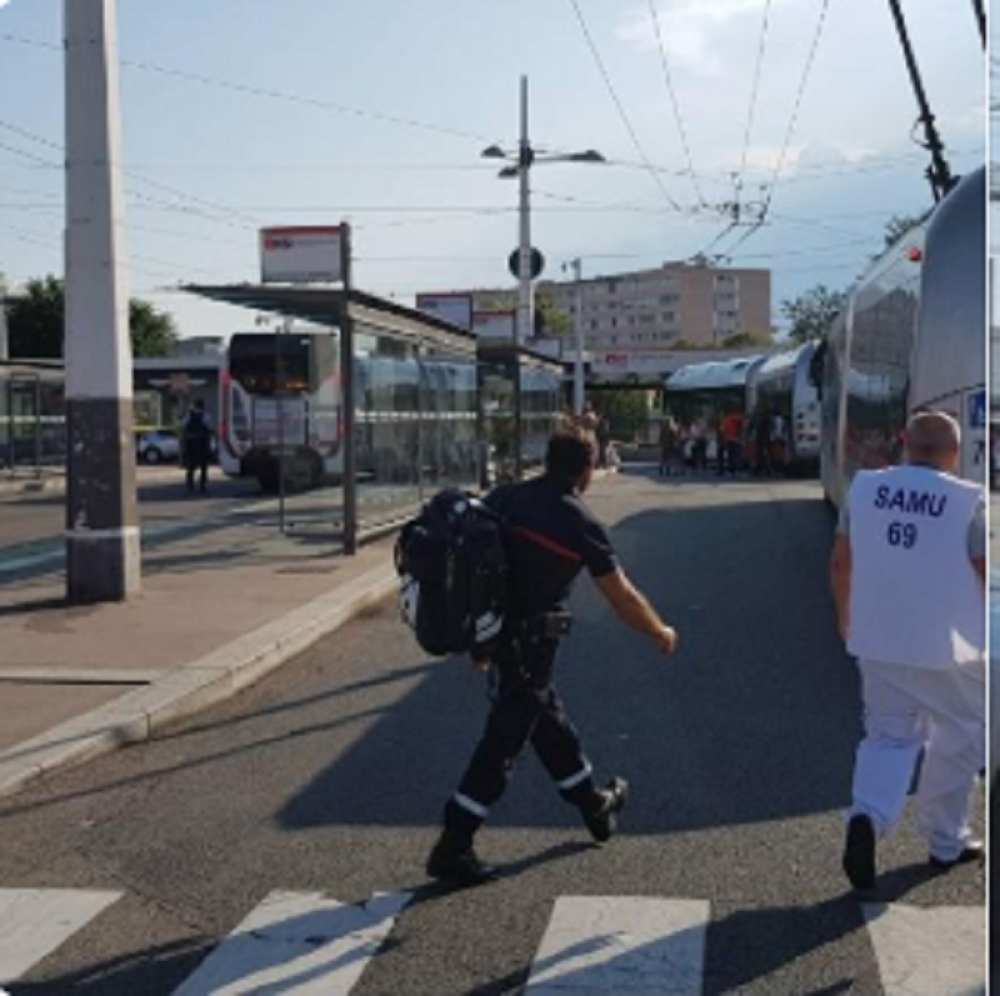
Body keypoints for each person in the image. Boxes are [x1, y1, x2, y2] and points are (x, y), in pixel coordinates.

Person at [426, 426, 679, 887]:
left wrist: (477, 640)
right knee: (503, 742)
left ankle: (593, 805)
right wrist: (658, 629)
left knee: (549, 725)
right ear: (586, 470)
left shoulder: (506, 497)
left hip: (501, 637)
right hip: (531, 642)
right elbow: (621, 597)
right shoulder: (578, 522)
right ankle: (454, 844)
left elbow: (475, 569)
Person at [830, 411, 986, 891]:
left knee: (888, 736)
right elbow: (982, 573)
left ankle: (868, 816)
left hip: (878, 637)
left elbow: (840, 562)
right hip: (946, 646)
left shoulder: (864, 489)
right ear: (954, 454)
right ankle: (945, 841)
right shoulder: (967, 499)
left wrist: (845, 618)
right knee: (958, 736)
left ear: (904, 443)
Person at [181, 398, 213, 495]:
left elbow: (182, 424)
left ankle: (190, 484)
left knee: (191, 465)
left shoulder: (189, 415)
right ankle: (203, 485)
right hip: (202, 443)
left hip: (190, 443)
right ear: (203, 406)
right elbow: (210, 427)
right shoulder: (206, 415)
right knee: (204, 465)